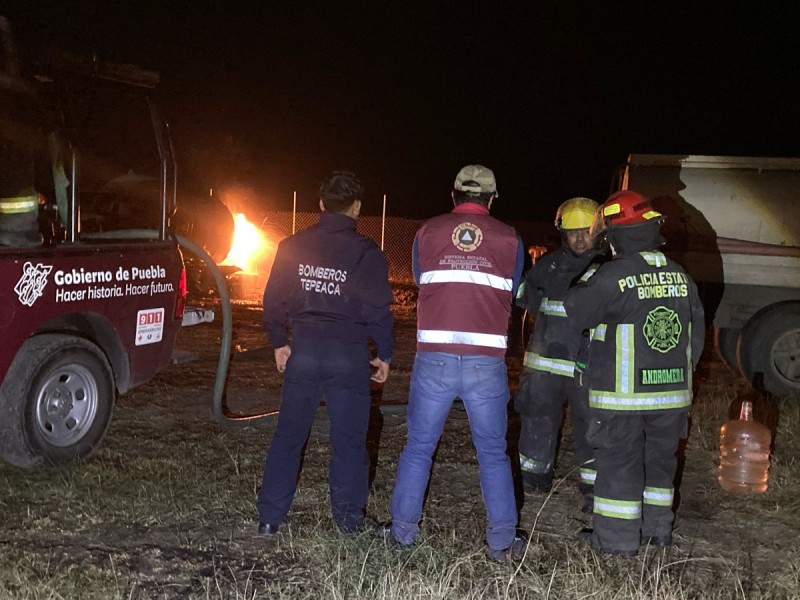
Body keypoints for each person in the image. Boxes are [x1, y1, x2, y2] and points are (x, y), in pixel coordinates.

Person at [385, 164, 526, 562]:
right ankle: (501, 541)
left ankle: (402, 534)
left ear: (453, 195)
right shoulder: (510, 238)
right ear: (493, 199)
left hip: (434, 358)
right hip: (486, 363)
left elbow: (419, 279)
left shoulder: (426, 232)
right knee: (493, 452)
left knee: (418, 447)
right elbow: (513, 289)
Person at [563, 190, 705, 558]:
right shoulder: (680, 275)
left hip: (623, 398)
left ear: (614, 234)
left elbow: (576, 310)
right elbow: (697, 335)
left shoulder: (614, 275)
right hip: (672, 395)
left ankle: (616, 541)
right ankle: (658, 531)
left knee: (619, 464)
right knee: (659, 462)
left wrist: (591, 274)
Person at [256, 171, 394, 536]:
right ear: (358, 208)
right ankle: (349, 521)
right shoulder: (368, 253)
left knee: (288, 435)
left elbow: (272, 301)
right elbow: (379, 310)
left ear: (320, 205)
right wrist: (384, 354)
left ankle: (269, 519)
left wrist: (279, 342)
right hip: (348, 357)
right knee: (349, 441)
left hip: (305, 350)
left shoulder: (292, 246)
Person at [514, 197, 604, 509]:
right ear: (562, 234)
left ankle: (594, 488)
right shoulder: (547, 265)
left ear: (600, 231)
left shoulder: (609, 268)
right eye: (573, 232)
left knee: (592, 425)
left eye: (586, 232)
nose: (579, 239)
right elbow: (524, 299)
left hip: (587, 368)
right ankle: (533, 477)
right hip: (546, 367)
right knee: (537, 418)